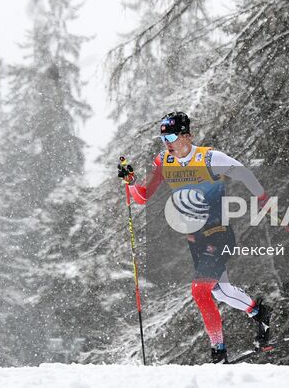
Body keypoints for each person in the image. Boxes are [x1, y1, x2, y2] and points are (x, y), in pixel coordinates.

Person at [117, 110, 273, 363]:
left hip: (219, 234)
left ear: (187, 136)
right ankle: (258, 311)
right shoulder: (163, 161)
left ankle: (218, 353)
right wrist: (131, 182)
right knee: (221, 291)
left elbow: (244, 173)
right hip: (196, 239)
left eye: (172, 139)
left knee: (200, 291)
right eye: (163, 140)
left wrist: (263, 198)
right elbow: (143, 196)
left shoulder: (210, 158)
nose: (167, 145)